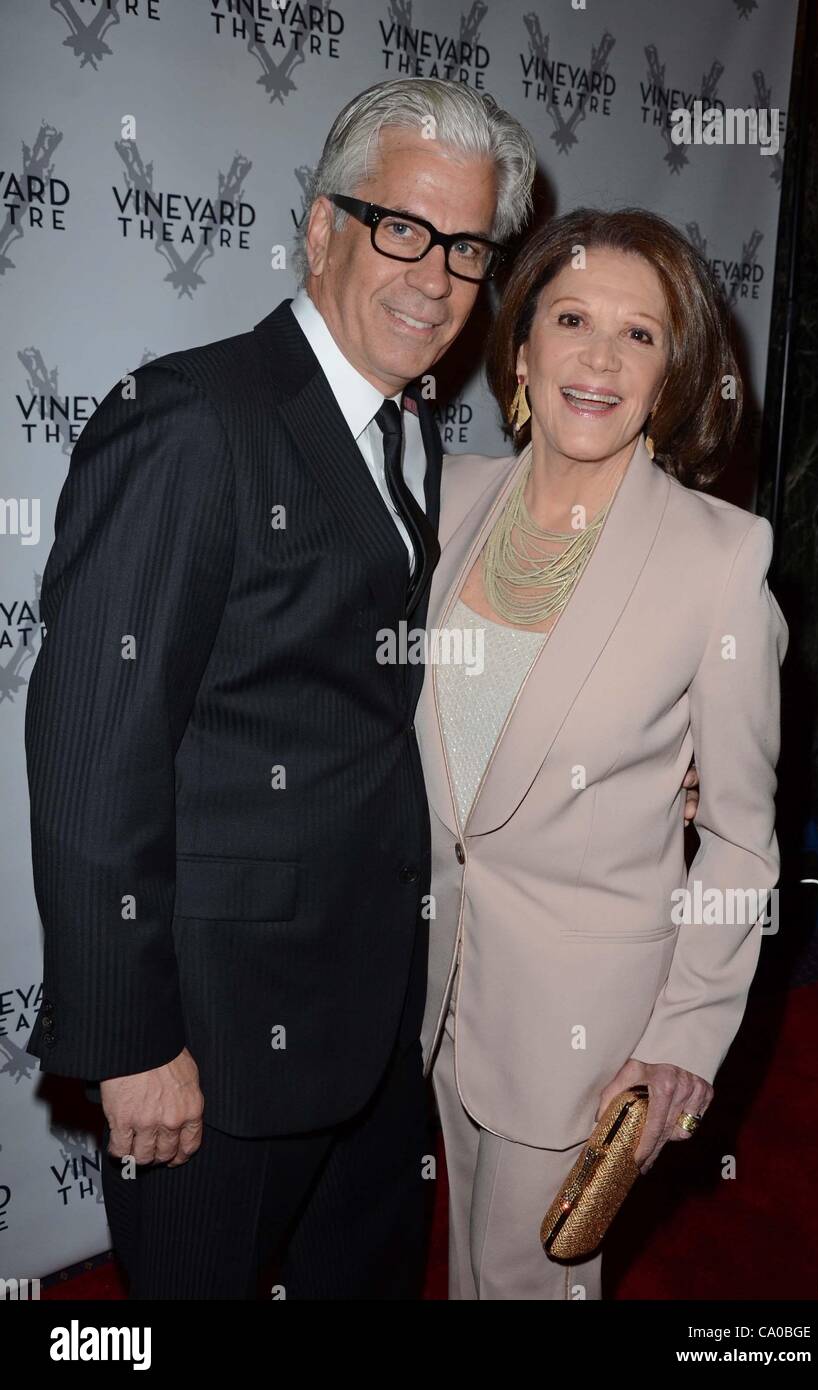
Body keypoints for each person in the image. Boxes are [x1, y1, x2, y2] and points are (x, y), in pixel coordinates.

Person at [23, 77, 536, 1300]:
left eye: (468, 247)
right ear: (320, 229)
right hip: (215, 1044)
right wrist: (132, 1043)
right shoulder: (195, 422)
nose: (434, 276)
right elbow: (96, 753)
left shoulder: (411, 432)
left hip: (371, 1025)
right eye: (400, 228)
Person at [414, 207, 788, 1300]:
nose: (599, 357)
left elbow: (741, 841)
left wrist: (683, 1034)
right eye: (572, 317)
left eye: (640, 334)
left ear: (674, 373)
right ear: (521, 345)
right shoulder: (445, 502)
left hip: (585, 1023)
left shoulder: (719, 559)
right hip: (425, 984)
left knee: (526, 1286)